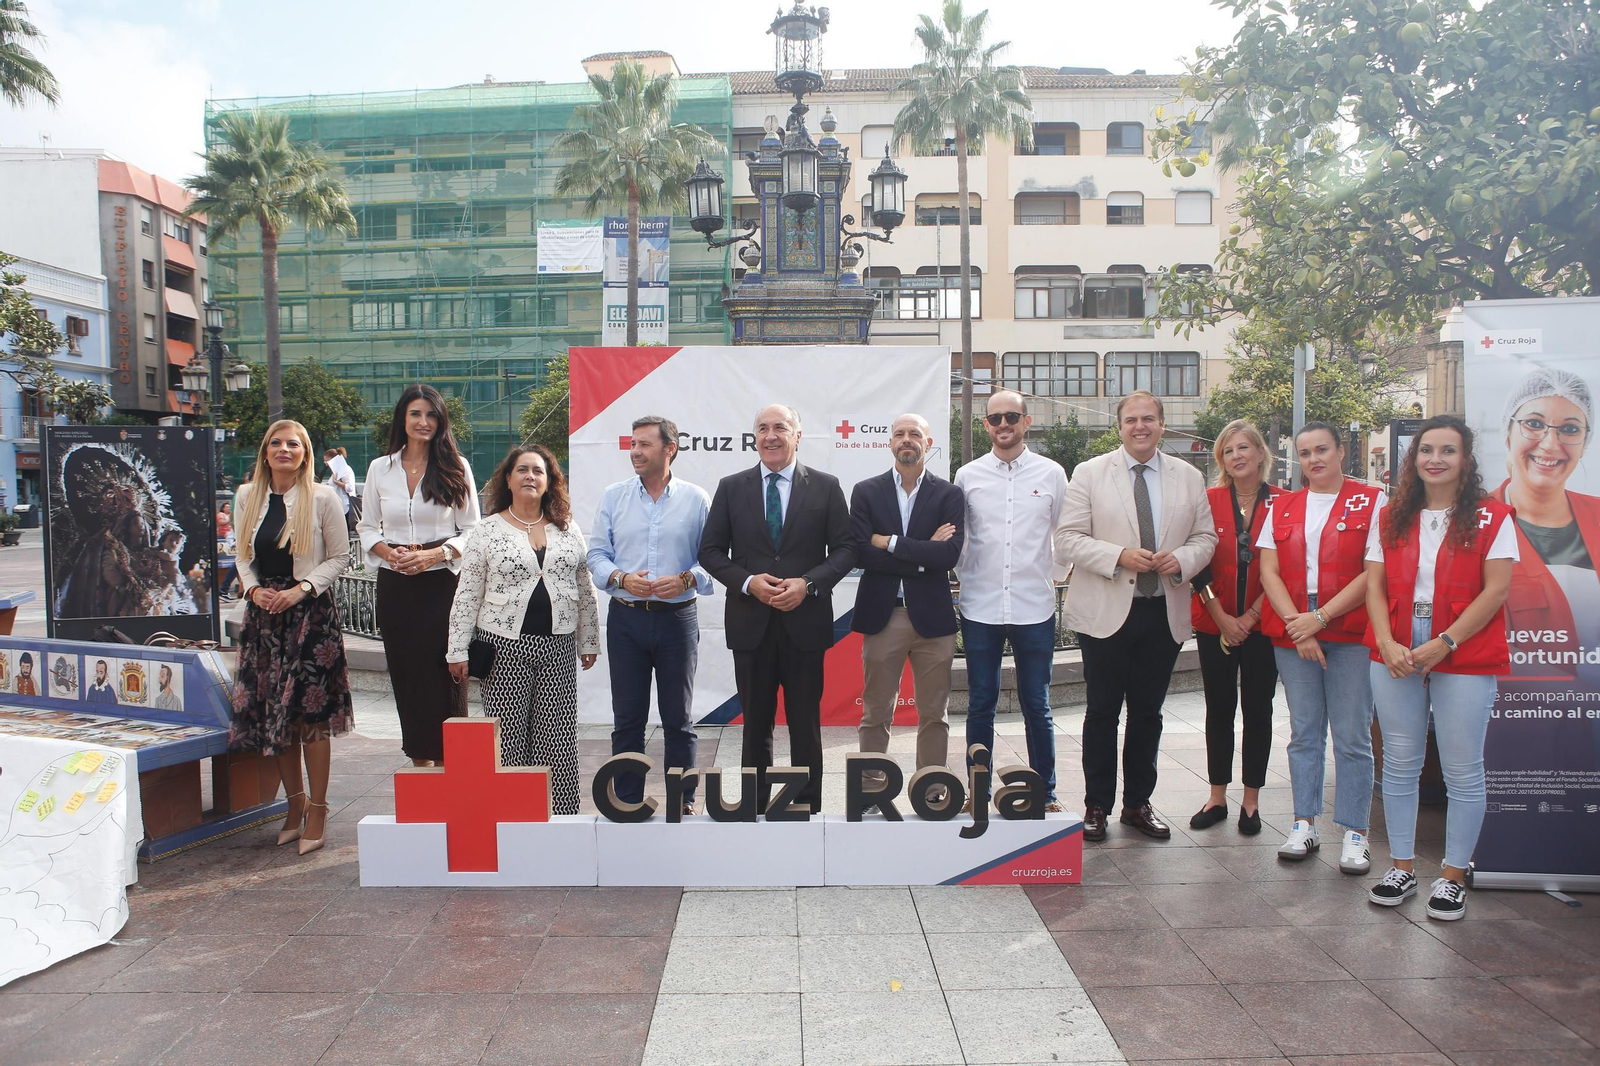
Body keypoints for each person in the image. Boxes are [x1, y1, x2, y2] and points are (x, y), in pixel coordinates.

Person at [1364, 415, 1515, 919]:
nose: (1435, 459)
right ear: (1414, 458)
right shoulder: (1390, 517)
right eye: (1427, 450)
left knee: (1463, 770)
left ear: (1465, 460)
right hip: (1395, 650)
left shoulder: (1494, 518)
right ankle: (1402, 867)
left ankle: (1452, 876)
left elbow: (1495, 591)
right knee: (1400, 764)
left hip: (1463, 649)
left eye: (1448, 451)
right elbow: (1375, 585)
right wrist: (1386, 641)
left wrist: (1444, 643)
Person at [1060, 390, 1216, 840]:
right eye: (1131, 420)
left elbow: (1206, 538)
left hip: (1161, 611)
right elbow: (1067, 539)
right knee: (1102, 711)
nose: (1140, 427)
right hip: (1107, 612)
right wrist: (1120, 555)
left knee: (1149, 712)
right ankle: (1096, 806)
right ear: (1120, 426)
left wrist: (1184, 559)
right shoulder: (1090, 473)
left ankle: (1137, 804)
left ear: (1162, 425)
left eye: (1149, 419)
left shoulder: (1188, 476)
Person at [699, 403, 857, 814]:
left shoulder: (825, 486)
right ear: (755, 436)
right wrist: (749, 582)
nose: (771, 435)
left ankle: (805, 805)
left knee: (805, 722)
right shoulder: (732, 487)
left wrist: (809, 584)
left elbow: (845, 548)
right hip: (751, 623)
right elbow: (711, 551)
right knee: (755, 724)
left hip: (805, 624)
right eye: (763, 428)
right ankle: (754, 802)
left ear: (797, 436)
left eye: (780, 427)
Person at [448, 445, 599, 815]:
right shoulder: (486, 530)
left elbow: (585, 585)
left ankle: (562, 816)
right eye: (522, 470)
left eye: (539, 471)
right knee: (509, 734)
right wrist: (457, 649)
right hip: (503, 647)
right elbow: (467, 593)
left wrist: (589, 638)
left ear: (550, 482)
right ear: (508, 479)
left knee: (558, 736)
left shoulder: (568, 529)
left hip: (558, 647)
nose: (530, 476)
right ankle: (513, 815)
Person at [1258, 421, 1382, 873]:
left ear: (1341, 451)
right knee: (1304, 732)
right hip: (1294, 628)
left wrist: (1322, 618)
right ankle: (1303, 824)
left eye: (1322, 450)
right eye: (1305, 452)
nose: (1314, 459)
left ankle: (1354, 832)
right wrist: (1302, 626)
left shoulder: (1371, 501)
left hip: (1348, 629)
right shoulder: (1284, 505)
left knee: (1352, 736)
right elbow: (1269, 572)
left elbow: (1374, 573)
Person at [231, 419, 354, 856]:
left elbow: (341, 556)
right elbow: (241, 555)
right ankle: (293, 805)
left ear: (305, 453)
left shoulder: (323, 498)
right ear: (265, 451)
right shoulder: (247, 496)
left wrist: (301, 589)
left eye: (295, 444)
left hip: (310, 617)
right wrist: (252, 589)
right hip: (264, 617)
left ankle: (317, 809)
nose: (285, 449)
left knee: (310, 717)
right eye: (277, 443)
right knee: (275, 717)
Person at [587, 416, 713, 815]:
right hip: (626, 619)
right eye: (633, 444)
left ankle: (684, 798)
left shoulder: (697, 498)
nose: (636, 452)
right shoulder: (613, 497)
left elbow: (715, 559)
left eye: (644, 444)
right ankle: (626, 799)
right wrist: (621, 578)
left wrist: (687, 579)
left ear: (669, 448)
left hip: (678, 621)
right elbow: (596, 555)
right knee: (627, 718)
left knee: (678, 718)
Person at [358, 385, 481, 767]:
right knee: (407, 673)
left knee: (448, 670)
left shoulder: (456, 467)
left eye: (431, 415)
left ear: (440, 421)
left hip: (442, 584)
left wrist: (434, 554)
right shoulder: (381, 468)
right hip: (397, 586)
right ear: (403, 419)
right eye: (415, 414)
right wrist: (389, 555)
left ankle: (453, 760)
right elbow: (366, 528)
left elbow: (473, 530)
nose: (423, 422)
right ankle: (419, 759)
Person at [850, 413, 964, 799]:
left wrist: (892, 542)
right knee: (876, 711)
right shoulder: (866, 491)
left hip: (933, 619)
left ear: (928, 444)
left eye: (915, 434)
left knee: (934, 714)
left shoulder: (948, 494)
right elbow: (862, 553)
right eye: (899, 433)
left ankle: (932, 789)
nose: (906, 439)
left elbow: (947, 554)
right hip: (885, 616)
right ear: (890, 443)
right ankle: (870, 789)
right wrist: (922, 550)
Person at [1188, 420, 1278, 835]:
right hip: (1214, 623)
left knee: (1258, 711)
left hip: (1265, 625)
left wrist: (1251, 617)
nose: (1237, 456)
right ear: (1221, 459)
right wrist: (1223, 617)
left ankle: (1252, 801)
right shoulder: (1206, 501)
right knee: (1218, 710)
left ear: (1261, 453)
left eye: (1244, 447)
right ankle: (1217, 796)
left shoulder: (1285, 503)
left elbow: (1289, 570)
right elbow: (1196, 563)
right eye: (1228, 450)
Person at [1494, 367, 1599, 677]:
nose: (1550, 444)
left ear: (1585, 441)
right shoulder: (1474, 520)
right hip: (1514, 712)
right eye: (1534, 424)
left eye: (1569, 429)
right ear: (1508, 432)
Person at [324, 447, 359, 536]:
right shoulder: (336, 471)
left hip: (344, 507)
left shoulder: (345, 470)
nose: (326, 464)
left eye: (327, 461)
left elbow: (349, 487)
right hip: (337, 507)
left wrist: (336, 482)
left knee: (342, 534)